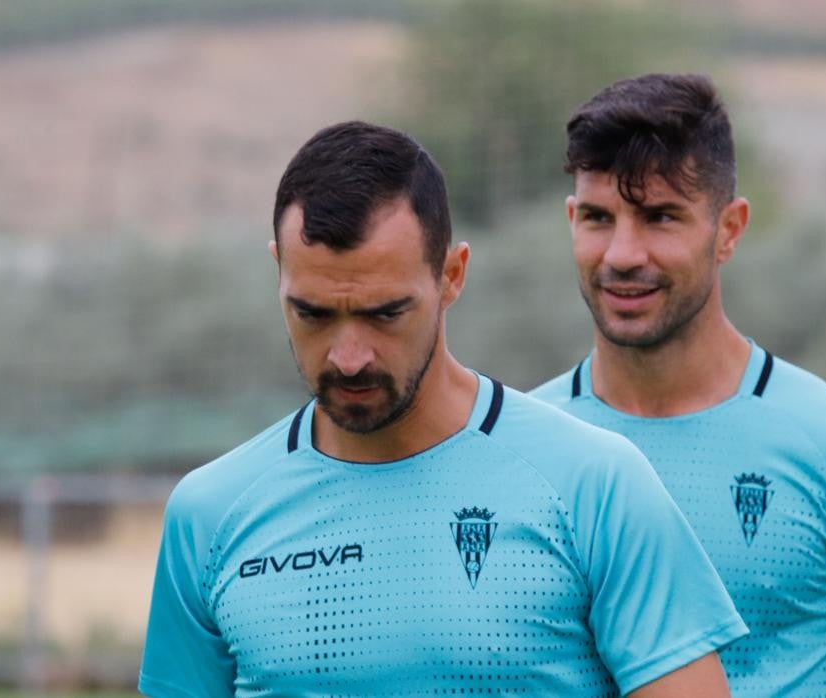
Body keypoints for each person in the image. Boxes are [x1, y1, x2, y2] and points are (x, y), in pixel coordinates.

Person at [139, 120, 746, 697]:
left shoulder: (595, 485)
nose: (348, 356)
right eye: (314, 314)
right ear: (279, 272)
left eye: (385, 314)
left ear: (451, 276)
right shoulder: (209, 516)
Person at [531, 73, 826, 697]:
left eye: (661, 217)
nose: (623, 253)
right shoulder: (522, 453)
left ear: (730, 230)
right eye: (599, 218)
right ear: (572, 221)